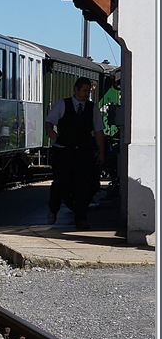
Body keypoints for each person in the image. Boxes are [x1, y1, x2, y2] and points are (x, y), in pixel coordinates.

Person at [45, 77, 105, 231]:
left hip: (83, 152)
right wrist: (50, 130)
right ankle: (53, 208)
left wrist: (101, 152)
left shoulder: (93, 109)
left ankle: (81, 219)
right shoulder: (62, 104)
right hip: (63, 151)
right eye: (84, 90)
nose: (87, 94)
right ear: (76, 89)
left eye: (88, 91)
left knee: (83, 186)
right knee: (60, 183)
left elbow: (98, 131)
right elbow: (49, 120)